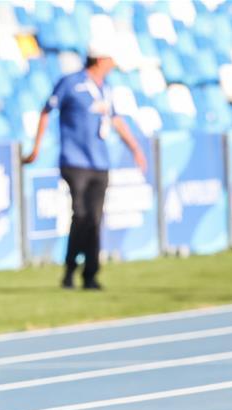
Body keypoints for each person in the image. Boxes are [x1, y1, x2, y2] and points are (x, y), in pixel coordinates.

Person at [23, 40, 147, 290]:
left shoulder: (107, 88)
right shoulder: (70, 83)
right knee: (80, 215)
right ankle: (71, 269)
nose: (113, 64)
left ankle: (90, 274)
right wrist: (36, 147)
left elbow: (116, 120)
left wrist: (134, 147)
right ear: (100, 59)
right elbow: (46, 110)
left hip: (100, 163)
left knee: (94, 218)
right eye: (110, 59)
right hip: (75, 160)